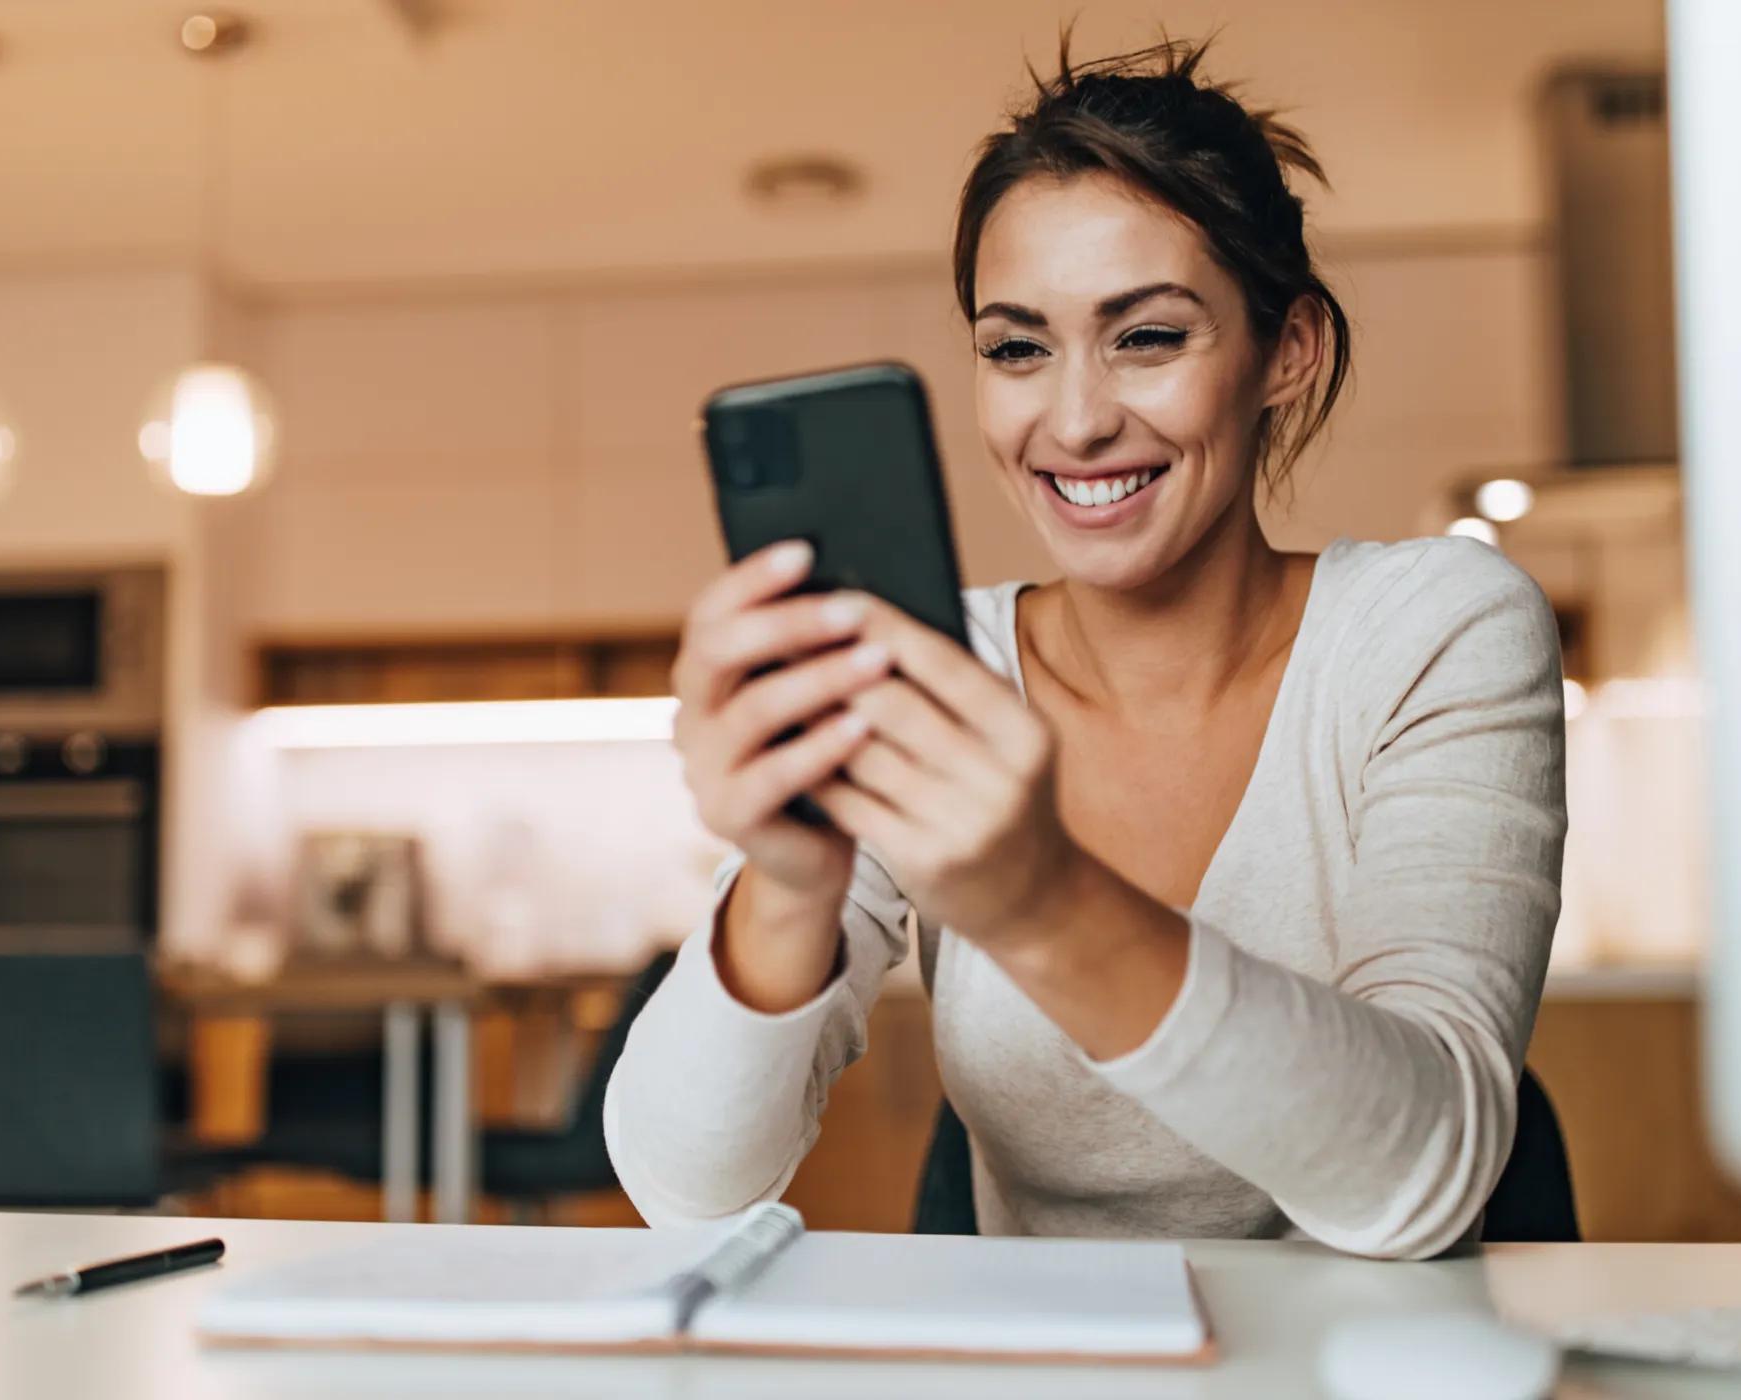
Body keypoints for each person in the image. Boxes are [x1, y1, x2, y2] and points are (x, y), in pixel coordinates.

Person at [604, 37, 1565, 1260]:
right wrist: (790, 881)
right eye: (1017, 348)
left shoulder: (1435, 628)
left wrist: (1038, 897)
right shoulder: (928, 663)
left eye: (1148, 337)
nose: (1074, 420)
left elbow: (1421, 1181)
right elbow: (684, 1192)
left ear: (1289, 352)